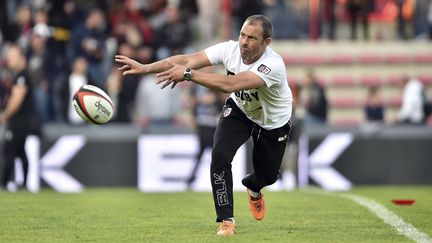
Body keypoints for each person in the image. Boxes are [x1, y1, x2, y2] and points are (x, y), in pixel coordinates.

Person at [115, 15, 292, 236]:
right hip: (240, 110)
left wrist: (188, 75)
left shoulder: (272, 65)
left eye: (252, 38)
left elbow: (232, 83)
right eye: (242, 35)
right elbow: (186, 60)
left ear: (266, 42)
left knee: (268, 177)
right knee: (219, 156)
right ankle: (226, 220)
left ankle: (254, 187)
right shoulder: (230, 49)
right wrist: (145, 68)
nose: (244, 42)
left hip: (273, 122)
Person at [0, 44, 39, 191]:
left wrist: (5, 115)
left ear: (22, 59)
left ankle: (3, 183)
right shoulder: (17, 75)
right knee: (20, 151)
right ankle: (24, 184)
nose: (9, 59)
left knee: (9, 150)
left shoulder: (22, 76)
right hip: (24, 119)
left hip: (19, 119)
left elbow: (17, 99)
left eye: (13, 56)